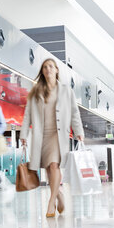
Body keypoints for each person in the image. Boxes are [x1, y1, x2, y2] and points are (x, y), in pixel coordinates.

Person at [20, 58, 84, 217]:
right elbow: (27, 114)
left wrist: (79, 132)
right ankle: (59, 196)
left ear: (56, 70)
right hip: (41, 136)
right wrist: (23, 134)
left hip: (58, 134)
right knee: (48, 169)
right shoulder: (35, 92)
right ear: (42, 71)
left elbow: (74, 113)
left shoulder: (66, 90)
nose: (48, 69)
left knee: (54, 165)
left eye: (50, 66)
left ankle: (50, 203)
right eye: (45, 67)